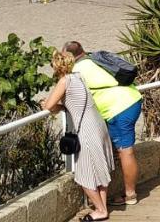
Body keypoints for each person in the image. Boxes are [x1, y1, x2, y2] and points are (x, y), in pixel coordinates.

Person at [66, 41, 143, 207]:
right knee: (123, 149)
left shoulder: (77, 71)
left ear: (69, 58)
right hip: (133, 98)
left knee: (125, 152)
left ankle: (130, 195)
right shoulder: (94, 58)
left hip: (118, 109)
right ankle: (126, 191)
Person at [42, 51, 114, 221]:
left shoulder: (64, 81)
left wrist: (45, 103)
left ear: (56, 66)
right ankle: (102, 208)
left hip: (87, 130)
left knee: (84, 174)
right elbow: (74, 103)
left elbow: (48, 106)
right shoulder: (78, 77)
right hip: (98, 124)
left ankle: (100, 210)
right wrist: (61, 106)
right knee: (100, 168)